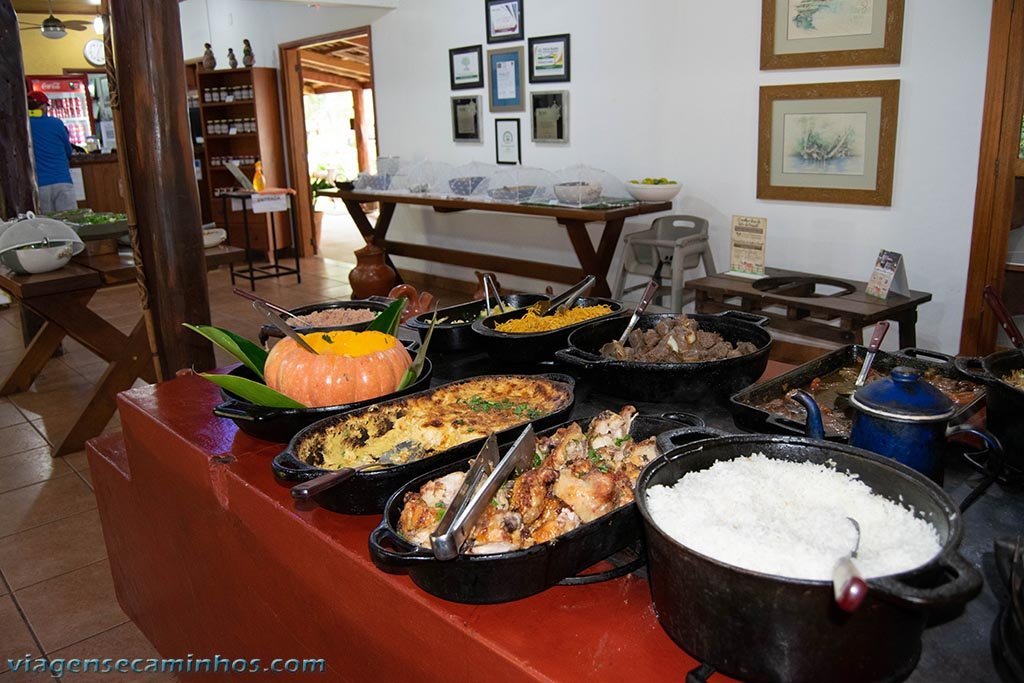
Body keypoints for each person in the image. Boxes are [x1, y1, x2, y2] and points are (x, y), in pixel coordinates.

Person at [27, 90, 76, 214]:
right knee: (70, 224)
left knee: (48, 227)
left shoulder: (25, 126)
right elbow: (68, 151)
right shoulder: (56, 123)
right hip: (62, 181)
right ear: (43, 106)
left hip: (40, 185)